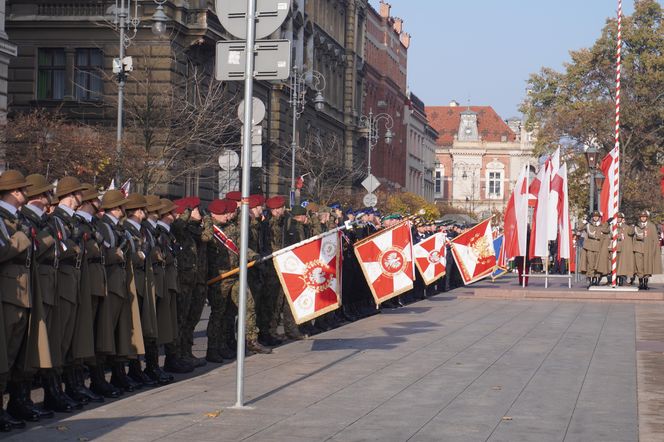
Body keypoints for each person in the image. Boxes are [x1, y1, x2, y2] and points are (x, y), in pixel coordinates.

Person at [633, 210, 662, 290]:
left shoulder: (651, 226)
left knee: (647, 266)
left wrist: (655, 249)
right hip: (638, 248)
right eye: (641, 217)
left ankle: (645, 283)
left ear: (646, 217)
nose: (643, 218)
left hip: (648, 249)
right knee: (639, 266)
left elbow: (655, 239)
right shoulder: (636, 225)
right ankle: (640, 283)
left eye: (644, 217)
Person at [580, 211, 605, 286]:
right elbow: (579, 227)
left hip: (599, 246)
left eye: (597, 216)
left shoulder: (602, 225)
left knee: (597, 264)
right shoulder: (588, 225)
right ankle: (591, 280)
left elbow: (607, 231)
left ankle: (597, 280)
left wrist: (607, 223)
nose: (595, 217)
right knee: (590, 264)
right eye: (594, 216)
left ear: (599, 217)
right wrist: (585, 220)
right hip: (590, 247)